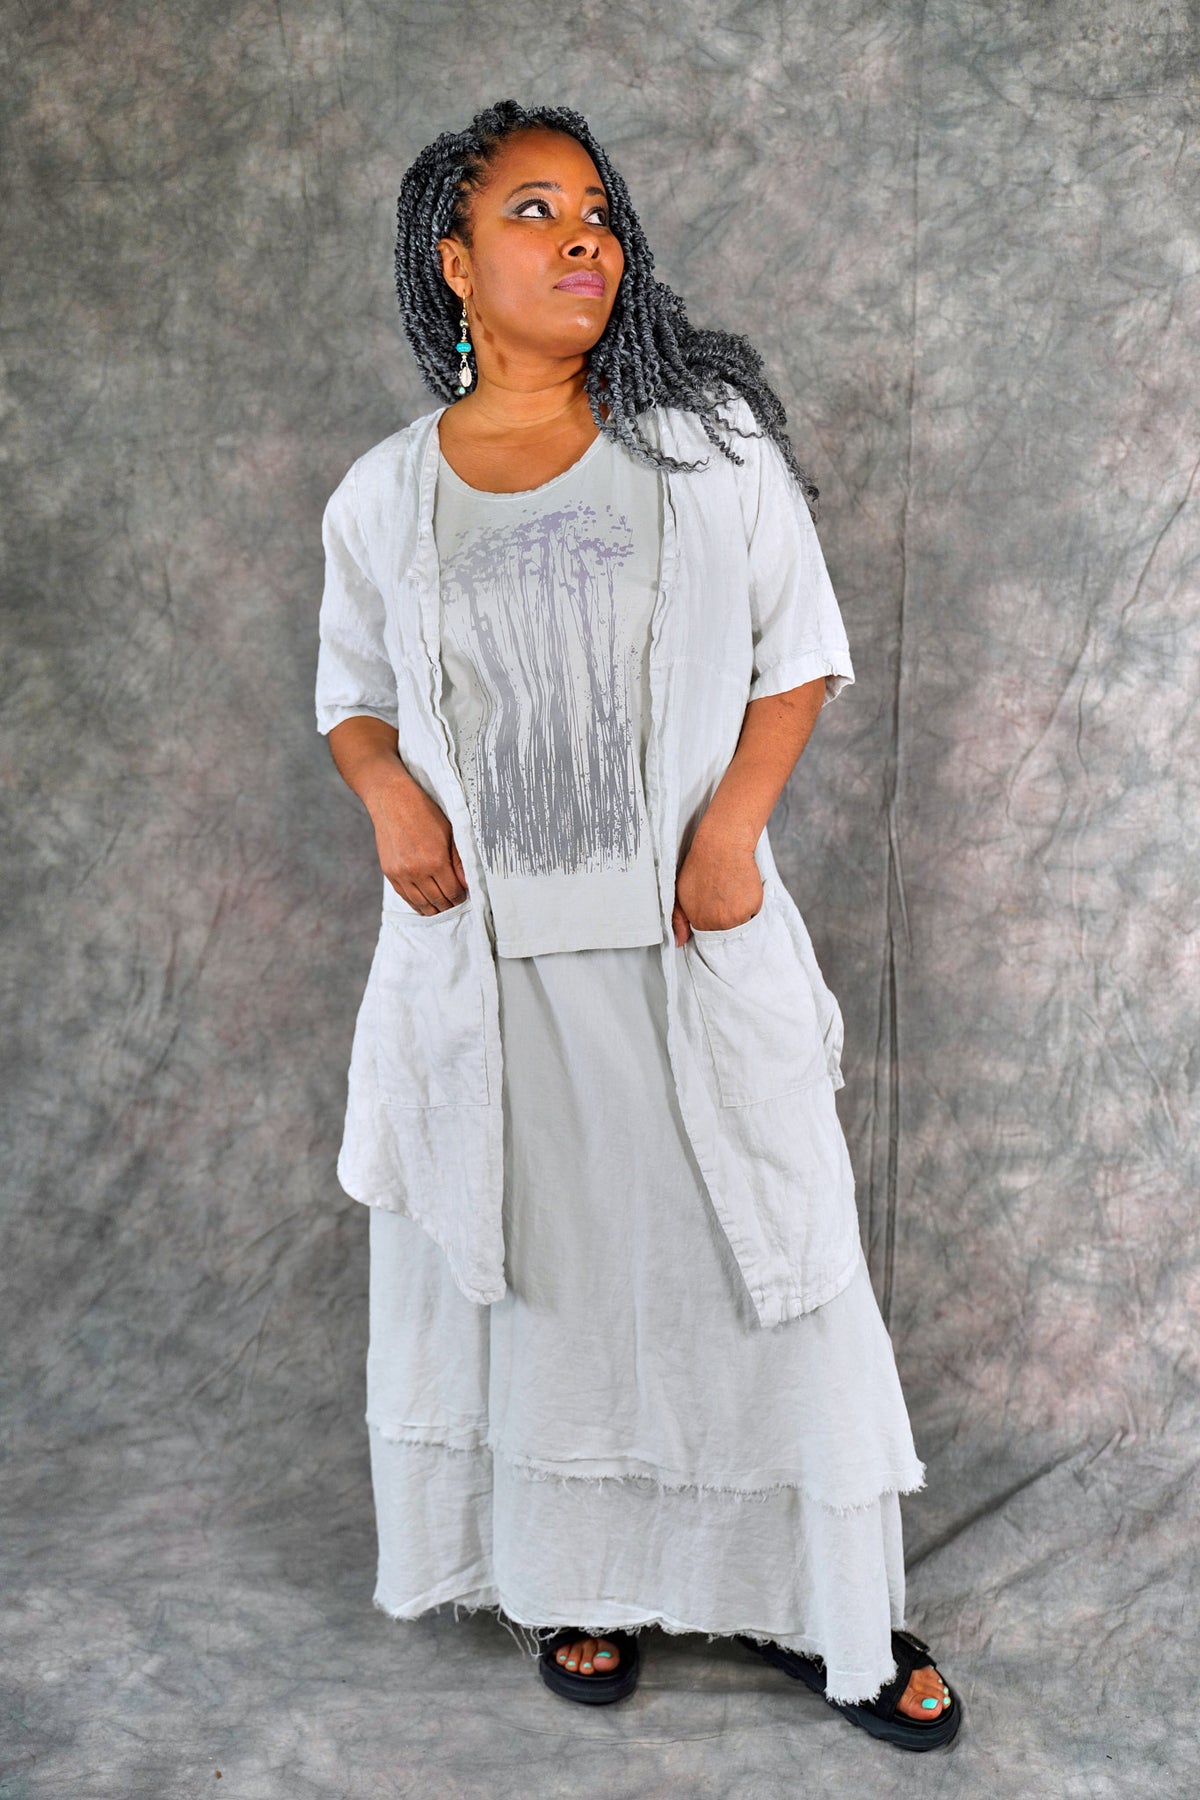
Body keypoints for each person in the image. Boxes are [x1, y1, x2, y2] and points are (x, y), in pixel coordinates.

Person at [314, 98, 962, 1752]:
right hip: (491, 980)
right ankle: (582, 1574)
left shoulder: (704, 445)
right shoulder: (383, 495)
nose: (582, 239)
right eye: (533, 213)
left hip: (684, 946)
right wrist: (387, 799)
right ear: (453, 263)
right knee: (555, 1290)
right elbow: (354, 696)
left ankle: (830, 1613)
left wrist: (735, 828)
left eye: (596, 211)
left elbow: (796, 653)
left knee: (763, 1273)